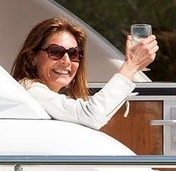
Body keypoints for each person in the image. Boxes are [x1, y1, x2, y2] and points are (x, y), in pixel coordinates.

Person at [11, 17, 158, 130]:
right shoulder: (30, 90)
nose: (66, 61)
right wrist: (131, 66)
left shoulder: (47, 95)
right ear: (32, 58)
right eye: (55, 52)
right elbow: (92, 115)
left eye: (73, 53)